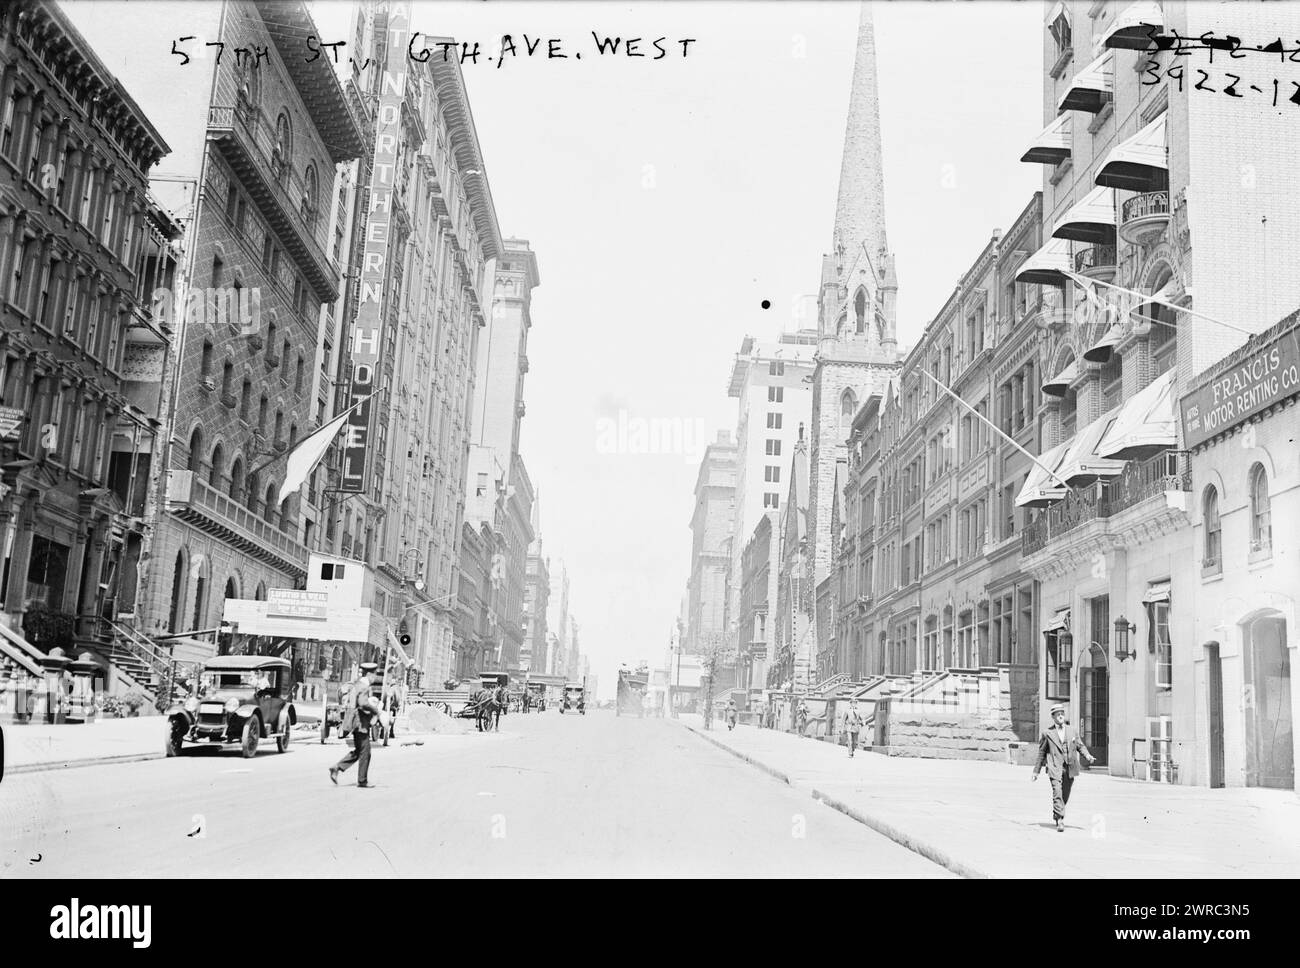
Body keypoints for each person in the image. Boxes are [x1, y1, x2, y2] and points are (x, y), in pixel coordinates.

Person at [1032, 702, 1096, 832]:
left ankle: (1057, 813)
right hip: (1054, 767)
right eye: (1058, 714)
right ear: (1053, 717)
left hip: (1070, 767)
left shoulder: (1072, 731)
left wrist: (1087, 756)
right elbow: (1041, 753)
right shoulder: (1047, 733)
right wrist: (1036, 771)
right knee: (1057, 792)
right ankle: (1060, 820)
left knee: (1065, 794)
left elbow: (1080, 746)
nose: (1060, 716)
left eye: (1062, 714)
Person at [330, 686, 381, 788]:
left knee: (359, 751)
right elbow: (363, 704)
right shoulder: (363, 688)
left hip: (356, 724)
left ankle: (337, 767)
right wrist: (375, 711)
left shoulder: (357, 688)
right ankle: (362, 780)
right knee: (365, 752)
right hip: (360, 726)